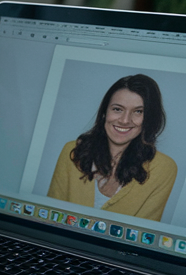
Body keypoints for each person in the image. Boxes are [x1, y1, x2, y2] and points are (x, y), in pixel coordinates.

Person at [47, 74, 177, 221]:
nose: (125, 120)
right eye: (117, 109)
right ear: (104, 112)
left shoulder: (164, 169)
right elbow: (51, 216)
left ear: (149, 119)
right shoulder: (73, 151)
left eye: (138, 111)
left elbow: (141, 235)